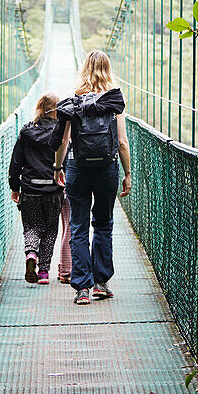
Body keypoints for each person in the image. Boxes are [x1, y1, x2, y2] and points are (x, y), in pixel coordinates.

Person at [54, 50, 131, 305]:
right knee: (103, 224)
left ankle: (82, 289)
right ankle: (101, 283)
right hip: (107, 169)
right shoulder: (114, 100)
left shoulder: (73, 101)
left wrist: (58, 168)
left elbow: (63, 140)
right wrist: (127, 173)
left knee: (78, 226)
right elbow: (121, 141)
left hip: (78, 168)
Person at [9, 92, 66, 285]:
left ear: (39, 108)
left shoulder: (26, 131)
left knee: (32, 227)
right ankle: (43, 273)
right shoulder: (61, 133)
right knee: (50, 230)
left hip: (30, 188)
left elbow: (16, 163)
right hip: (53, 190)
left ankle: (31, 253)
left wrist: (14, 187)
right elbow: (65, 160)